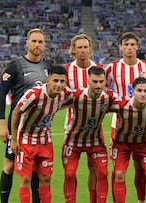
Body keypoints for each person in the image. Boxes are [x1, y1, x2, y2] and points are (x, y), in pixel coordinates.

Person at [0, 28, 49, 203]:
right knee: (9, 166)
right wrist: (2, 123)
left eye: (40, 42)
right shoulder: (15, 66)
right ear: (27, 43)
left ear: (44, 45)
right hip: (16, 126)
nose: (36, 45)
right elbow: (1, 94)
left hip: (38, 128)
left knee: (35, 169)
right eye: (33, 41)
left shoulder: (47, 68)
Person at [10, 65, 73, 203]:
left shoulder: (65, 95)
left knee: (45, 178)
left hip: (45, 140)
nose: (58, 85)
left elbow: (80, 96)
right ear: (47, 79)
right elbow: (16, 113)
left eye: (62, 81)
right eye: (55, 80)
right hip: (25, 140)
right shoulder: (34, 94)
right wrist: (14, 140)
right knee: (25, 178)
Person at [105, 32, 146, 203]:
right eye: (126, 45)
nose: (129, 48)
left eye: (133, 45)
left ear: (137, 46)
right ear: (120, 47)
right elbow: (104, 89)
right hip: (119, 124)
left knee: (141, 169)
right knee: (118, 171)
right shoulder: (112, 67)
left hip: (143, 123)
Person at [62, 66, 117, 203]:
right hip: (73, 141)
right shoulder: (76, 96)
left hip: (95, 141)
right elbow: (55, 104)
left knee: (103, 173)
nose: (98, 85)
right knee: (69, 174)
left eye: (101, 82)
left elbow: (125, 106)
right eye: (95, 82)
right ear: (88, 81)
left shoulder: (109, 97)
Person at [63, 33, 104, 202]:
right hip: (72, 128)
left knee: (95, 169)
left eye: (85, 47)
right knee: (70, 172)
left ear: (90, 49)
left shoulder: (99, 68)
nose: (82, 50)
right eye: (79, 47)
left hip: (95, 129)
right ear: (73, 50)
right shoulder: (67, 70)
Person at [109, 77, 146, 203]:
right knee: (119, 175)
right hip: (122, 143)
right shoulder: (121, 105)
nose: (143, 94)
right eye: (139, 90)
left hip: (145, 143)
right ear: (132, 91)